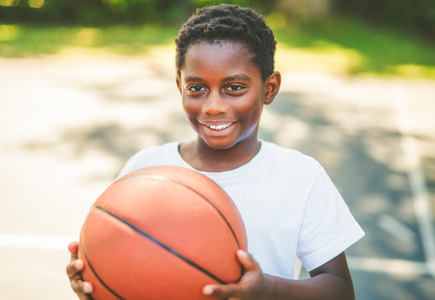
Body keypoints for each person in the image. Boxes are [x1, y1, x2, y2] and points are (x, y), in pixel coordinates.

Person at [66, 4, 364, 299]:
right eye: (196, 88)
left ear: (269, 89)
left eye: (234, 87)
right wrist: (95, 283)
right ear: (179, 86)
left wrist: (267, 289)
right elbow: (117, 267)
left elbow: (339, 289)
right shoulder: (145, 170)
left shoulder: (299, 177)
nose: (213, 107)